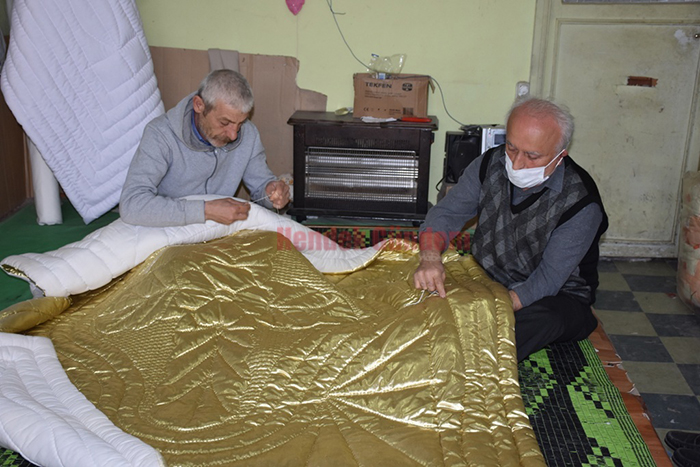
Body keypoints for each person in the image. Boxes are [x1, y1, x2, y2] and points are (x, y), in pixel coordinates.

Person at [413, 96, 608, 362]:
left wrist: (495, 308)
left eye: (532, 156)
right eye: (512, 148)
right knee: (418, 289)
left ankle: (469, 360)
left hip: (554, 295)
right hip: (488, 278)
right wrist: (429, 258)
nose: (516, 164)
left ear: (560, 155)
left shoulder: (581, 202)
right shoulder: (490, 164)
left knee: (540, 321)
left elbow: (548, 279)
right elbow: (446, 214)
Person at [119, 69, 290, 227]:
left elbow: (261, 187)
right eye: (224, 122)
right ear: (199, 105)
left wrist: (272, 192)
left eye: (240, 123)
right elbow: (132, 205)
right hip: (168, 228)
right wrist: (205, 210)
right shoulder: (160, 135)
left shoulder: (248, 134)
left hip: (217, 232)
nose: (233, 135)